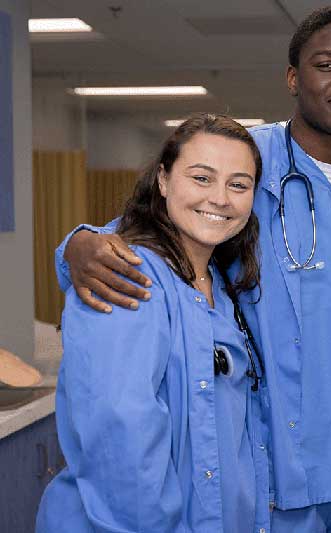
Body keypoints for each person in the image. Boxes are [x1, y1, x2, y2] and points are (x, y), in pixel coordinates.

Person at [53, 6, 331, 531]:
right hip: (270, 464)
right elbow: (143, 234)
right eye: (325, 64)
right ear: (293, 78)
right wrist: (77, 244)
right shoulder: (248, 159)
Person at [36, 113, 270, 532]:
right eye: (201, 178)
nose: (220, 198)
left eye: (238, 184)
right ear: (163, 180)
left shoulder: (222, 281)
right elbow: (120, 440)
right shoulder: (125, 273)